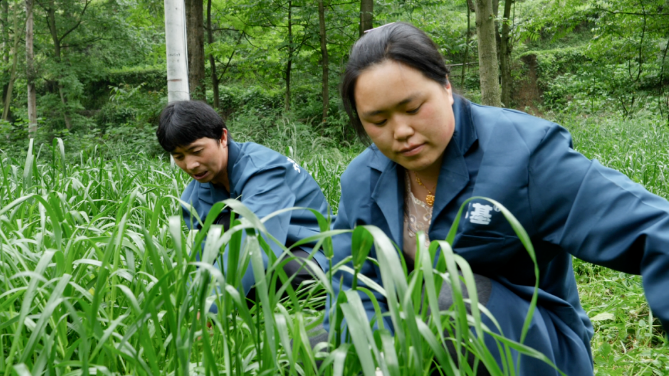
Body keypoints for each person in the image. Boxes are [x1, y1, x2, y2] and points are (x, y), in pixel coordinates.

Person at [323, 22, 669, 375]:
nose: (400, 132)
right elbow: (350, 288)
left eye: (412, 109)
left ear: (445, 85)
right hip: (416, 343)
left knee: (448, 298)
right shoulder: (362, 180)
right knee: (316, 342)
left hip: (530, 345)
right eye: (378, 120)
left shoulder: (523, 152)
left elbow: (654, 230)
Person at [157, 100, 331, 306]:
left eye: (197, 151)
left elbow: (255, 244)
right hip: (262, 256)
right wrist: (192, 303)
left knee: (288, 275)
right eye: (179, 156)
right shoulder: (193, 198)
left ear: (222, 137)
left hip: (310, 251)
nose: (191, 165)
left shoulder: (264, 171)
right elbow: (202, 260)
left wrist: (213, 308)